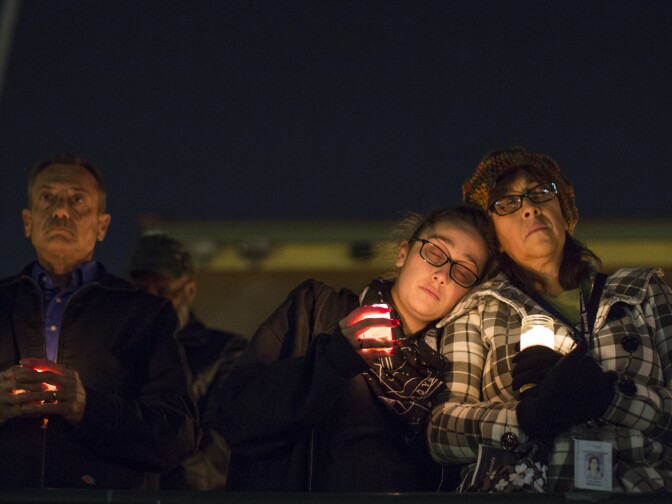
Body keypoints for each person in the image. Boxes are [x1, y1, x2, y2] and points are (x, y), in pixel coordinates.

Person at [427, 146, 672, 492]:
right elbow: (441, 431)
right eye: (506, 202)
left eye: (540, 192)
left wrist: (608, 396)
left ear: (564, 211)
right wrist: (528, 417)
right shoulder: (477, 311)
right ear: (492, 236)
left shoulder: (642, 291)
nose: (529, 208)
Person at [215, 206, 497, 492]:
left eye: (463, 271)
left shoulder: (454, 375)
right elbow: (236, 418)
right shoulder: (318, 312)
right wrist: (332, 360)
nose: (442, 274)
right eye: (435, 252)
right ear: (403, 252)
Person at [0, 154, 196, 489]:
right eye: (47, 197)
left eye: (77, 200)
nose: (61, 211)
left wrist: (87, 407)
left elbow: (176, 434)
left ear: (102, 225)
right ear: (27, 221)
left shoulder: (145, 315)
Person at [128, 233, 247, 490]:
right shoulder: (119, 351)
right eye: (141, 290)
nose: (151, 302)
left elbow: (222, 441)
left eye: (163, 291)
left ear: (189, 290)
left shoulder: (226, 352)